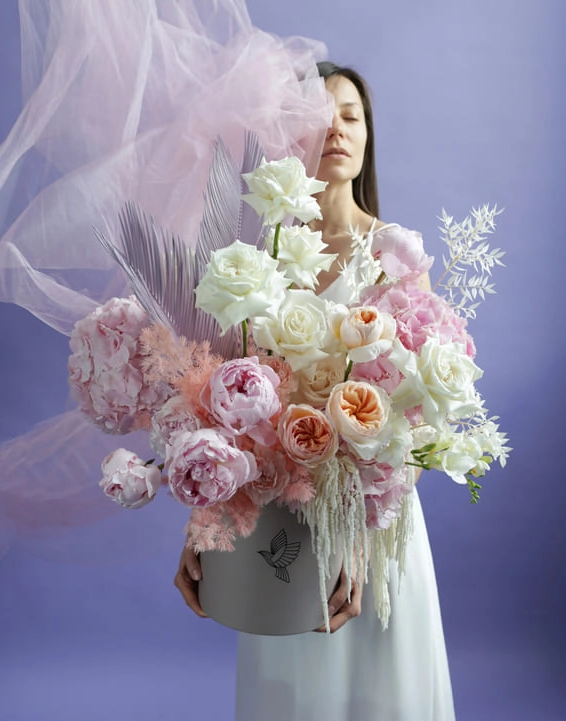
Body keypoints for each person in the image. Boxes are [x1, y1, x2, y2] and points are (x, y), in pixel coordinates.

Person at [175, 62, 457, 721]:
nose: (335, 129)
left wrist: (358, 535)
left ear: (367, 138)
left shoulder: (397, 255)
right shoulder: (255, 262)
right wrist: (207, 520)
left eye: (350, 116)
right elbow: (225, 411)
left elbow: (418, 417)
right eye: (317, 118)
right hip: (280, 530)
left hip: (373, 532)